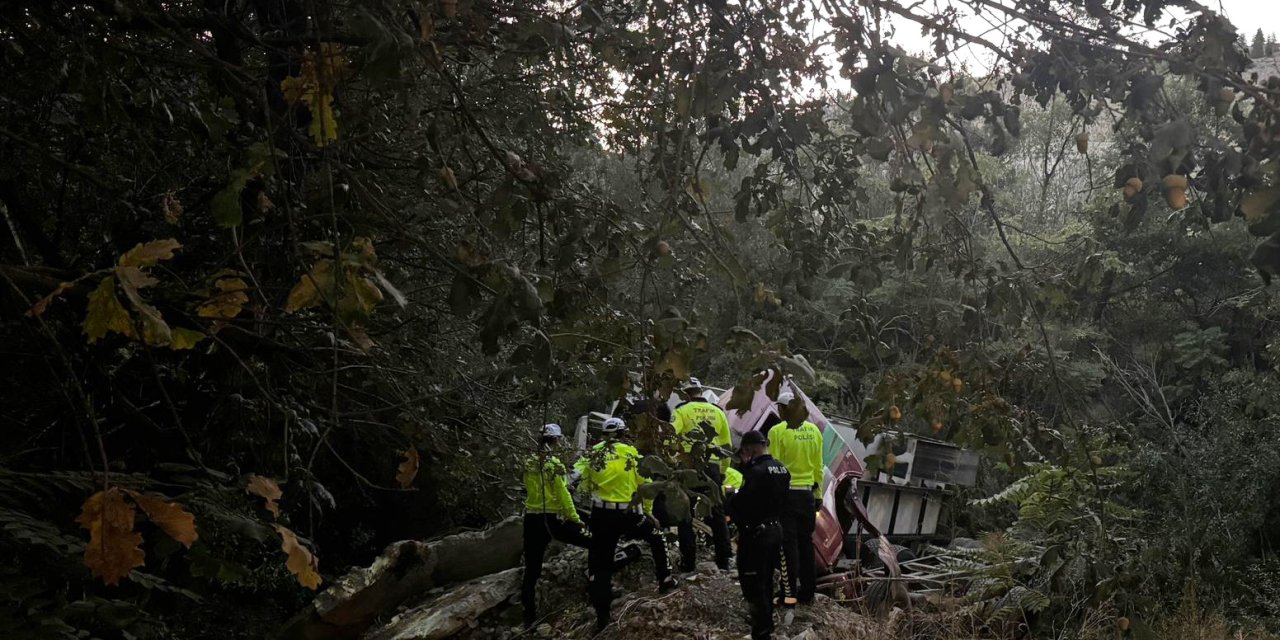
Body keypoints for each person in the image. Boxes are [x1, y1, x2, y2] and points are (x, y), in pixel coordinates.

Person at [575, 417, 677, 631]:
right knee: (657, 537)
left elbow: (580, 483)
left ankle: (602, 616)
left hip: (601, 515)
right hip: (629, 513)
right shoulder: (630, 453)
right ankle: (665, 579)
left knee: (600, 562)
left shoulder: (593, 454)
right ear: (623, 434)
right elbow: (646, 485)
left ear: (604, 435)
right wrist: (648, 512)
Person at [521, 423, 591, 627]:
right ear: (555, 440)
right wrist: (575, 518)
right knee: (591, 541)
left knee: (531, 569)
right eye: (559, 440)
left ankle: (528, 618)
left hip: (531, 518)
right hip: (551, 518)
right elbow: (563, 494)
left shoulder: (527, 462)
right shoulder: (553, 464)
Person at [725, 430, 790, 640]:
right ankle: (766, 624)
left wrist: (730, 499)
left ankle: (761, 631)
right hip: (775, 529)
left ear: (750, 449)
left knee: (753, 582)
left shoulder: (756, 472)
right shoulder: (782, 469)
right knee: (767, 579)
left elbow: (744, 503)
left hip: (756, 534)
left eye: (744, 452)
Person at [768, 390, 824, 606]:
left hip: (787, 496)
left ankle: (788, 595)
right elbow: (819, 466)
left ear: (784, 409)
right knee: (806, 544)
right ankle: (808, 593)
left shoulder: (777, 431)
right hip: (807, 495)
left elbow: (775, 467)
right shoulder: (814, 431)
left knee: (787, 546)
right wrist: (818, 495)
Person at [671, 377, 734, 571]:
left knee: (685, 513)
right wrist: (722, 472)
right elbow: (726, 446)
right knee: (717, 513)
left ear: (686, 394)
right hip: (712, 466)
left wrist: (672, 461)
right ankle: (724, 559)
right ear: (700, 391)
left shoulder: (681, 411)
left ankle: (688, 562)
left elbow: (670, 436)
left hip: (689, 465)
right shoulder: (718, 412)